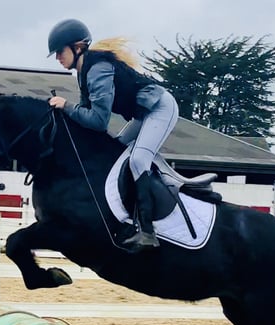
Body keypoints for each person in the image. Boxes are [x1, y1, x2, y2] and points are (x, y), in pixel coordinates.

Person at [47, 18, 179, 252]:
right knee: (114, 150)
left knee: (138, 159)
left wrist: (66, 106)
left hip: (160, 108)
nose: (57, 57)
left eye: (60, 51)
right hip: (143, 114)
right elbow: (86, 116)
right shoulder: (84, 71)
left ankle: (148, 232)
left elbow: (98, 121)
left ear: (77, 48)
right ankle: (126, 219)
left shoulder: (97, 68)